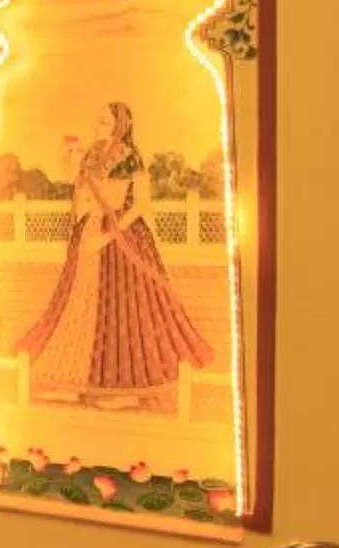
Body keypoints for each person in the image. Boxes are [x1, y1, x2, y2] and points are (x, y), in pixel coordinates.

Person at [14, 101, 214, 405]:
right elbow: (79, 188)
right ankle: (73, 380)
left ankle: (126, 390)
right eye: (99, 121)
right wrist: (71, 166)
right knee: (77, 306)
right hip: (87, 236)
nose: (99, 126)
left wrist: (110, 234)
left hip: (120, 239)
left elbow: (140, 205)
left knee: (122, 312)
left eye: (106, 122)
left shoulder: (131, 157)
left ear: (121, 125)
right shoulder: (92, 153)